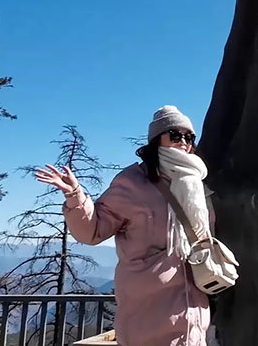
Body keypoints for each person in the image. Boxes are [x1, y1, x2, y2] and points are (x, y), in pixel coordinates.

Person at [36, 106, 215, 346]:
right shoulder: (132, 182)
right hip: (147, 316)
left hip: (194, 316)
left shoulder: (196, 182)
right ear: (156, 139)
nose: (183, 142)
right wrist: (75, 196)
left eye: (189, 137)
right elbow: (92, 230)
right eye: (175, 134)